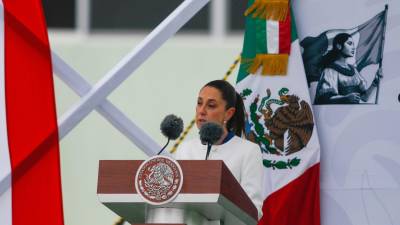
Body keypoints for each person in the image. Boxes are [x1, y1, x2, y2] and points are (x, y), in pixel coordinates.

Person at [173, 80, 264, 218]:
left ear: (228, 113)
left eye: (211, 105)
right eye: (199, 103)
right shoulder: (185, 149)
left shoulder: (248, 151)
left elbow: (253, 210)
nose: (202, 111)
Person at [314, 33, 382, 104]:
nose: (353, 47)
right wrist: (345, 98)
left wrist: (375, 82)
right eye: (349, 44)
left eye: (353, 44)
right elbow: (324, 99)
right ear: (339, 46)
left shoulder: (353, 70)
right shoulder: (330, 70)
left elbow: (364, 97)